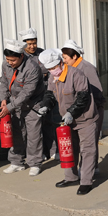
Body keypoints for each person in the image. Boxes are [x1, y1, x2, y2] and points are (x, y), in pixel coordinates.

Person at [39, 49, 98, 195]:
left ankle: (86, 181)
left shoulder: (76, 74)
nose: (52, 71)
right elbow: (50, 94)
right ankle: (71, 177)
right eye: (49, 69)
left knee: (87, 150)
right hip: (67, 121)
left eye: (54, 67)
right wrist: (46, 105)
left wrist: (71, 112)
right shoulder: (53, 77)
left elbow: (83, 97)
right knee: (69, 148)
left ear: (61, 62)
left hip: (85, 119)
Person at [0, 39, 46, 176]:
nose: (10, 63)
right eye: (8, 59)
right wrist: (3, 99)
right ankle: (16, 162)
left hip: (32, 104)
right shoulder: (6, 64)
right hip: (14, 103)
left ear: (21, 56)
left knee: (33, 135)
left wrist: (9, 107)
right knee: (17, 133)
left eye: (13, 60)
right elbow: (3, 82)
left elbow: (26, 93)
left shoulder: (32, 68)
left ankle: (35, 163)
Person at [61, 40, 105, 172]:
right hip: (78, 110)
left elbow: (96, 91)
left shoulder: (86, 68)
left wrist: (92, 109)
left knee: (89, 143)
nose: (64, 61)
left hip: (91, 110)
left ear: (75, 56)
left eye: (65, 58)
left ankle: (91, 168)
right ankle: (86, 168)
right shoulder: (71, 69)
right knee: (78, 143)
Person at [19, 27, 58, 161]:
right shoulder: (21, 57)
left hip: (45, 93)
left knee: (48, 123)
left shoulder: (42, 53)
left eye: (34, 43)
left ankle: (52, 150)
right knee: (33, 129)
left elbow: (50, 69)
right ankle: (37, 153)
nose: (32, 46)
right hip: (30, 96)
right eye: (29, 44)